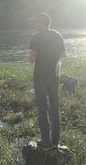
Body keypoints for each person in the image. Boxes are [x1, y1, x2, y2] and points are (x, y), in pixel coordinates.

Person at [28, 13, 65, 149]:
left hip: (40, 78)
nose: (34, 25)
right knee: (54, 108)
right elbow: (62, 55)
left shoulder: (36, 38)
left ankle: (45, 141)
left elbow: (32, 59)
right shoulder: (57, 35)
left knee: (42, 108)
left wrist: (33, 58)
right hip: (54, 77)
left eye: (35, 22)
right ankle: (55, 141)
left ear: (41, 23)